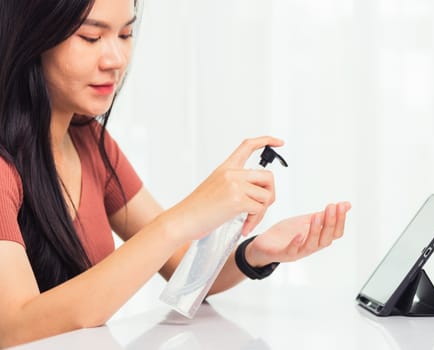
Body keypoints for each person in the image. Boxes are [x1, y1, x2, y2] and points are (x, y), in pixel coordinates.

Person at [0, 0, 351, 347]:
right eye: (91, 38)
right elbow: (15, 328)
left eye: (125, 34)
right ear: (33, 36)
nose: (116, 60)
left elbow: (184, 270)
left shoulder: (90, 143)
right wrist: (185, 216)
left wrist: (257, 252)